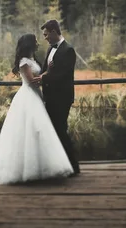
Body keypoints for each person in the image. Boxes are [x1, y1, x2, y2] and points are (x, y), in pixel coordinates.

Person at [0, 33, 73, 187]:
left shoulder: (32, 60)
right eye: (35, 41)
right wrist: (47, 74)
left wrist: (46, 74)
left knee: (38, 132)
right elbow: (30, 81)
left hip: (36, 96)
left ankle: (40, 168)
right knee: (27, 132)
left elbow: (37, 77)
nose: (38, 43)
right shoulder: (24, 61)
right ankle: (26, 170)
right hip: (28, 97)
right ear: (29, 44)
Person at [32, 20, 80, 175]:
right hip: (50, 98)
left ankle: (73, 167)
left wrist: (42, 79)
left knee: (60, 130)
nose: (45, 38)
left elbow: (62, 75)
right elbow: (47, 70)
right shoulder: (50, 49)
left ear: (53, 31)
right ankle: (59, 166)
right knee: (53, 132)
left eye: (46, 34)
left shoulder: (68, 50)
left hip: (62, 98)